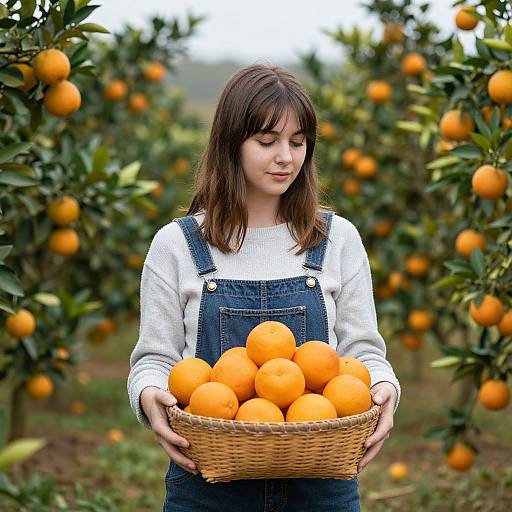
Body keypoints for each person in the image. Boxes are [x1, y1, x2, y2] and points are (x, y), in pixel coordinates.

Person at [127, 63, 400, 512]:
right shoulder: (177, 246)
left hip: (320, 483)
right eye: (267, 141)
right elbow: (154, 358)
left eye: (297, 143)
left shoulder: (336, 240)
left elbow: (364, 352)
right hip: (207, 482)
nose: (286, 158)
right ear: (230, 144)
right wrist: (149, 396)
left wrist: (384, 387)